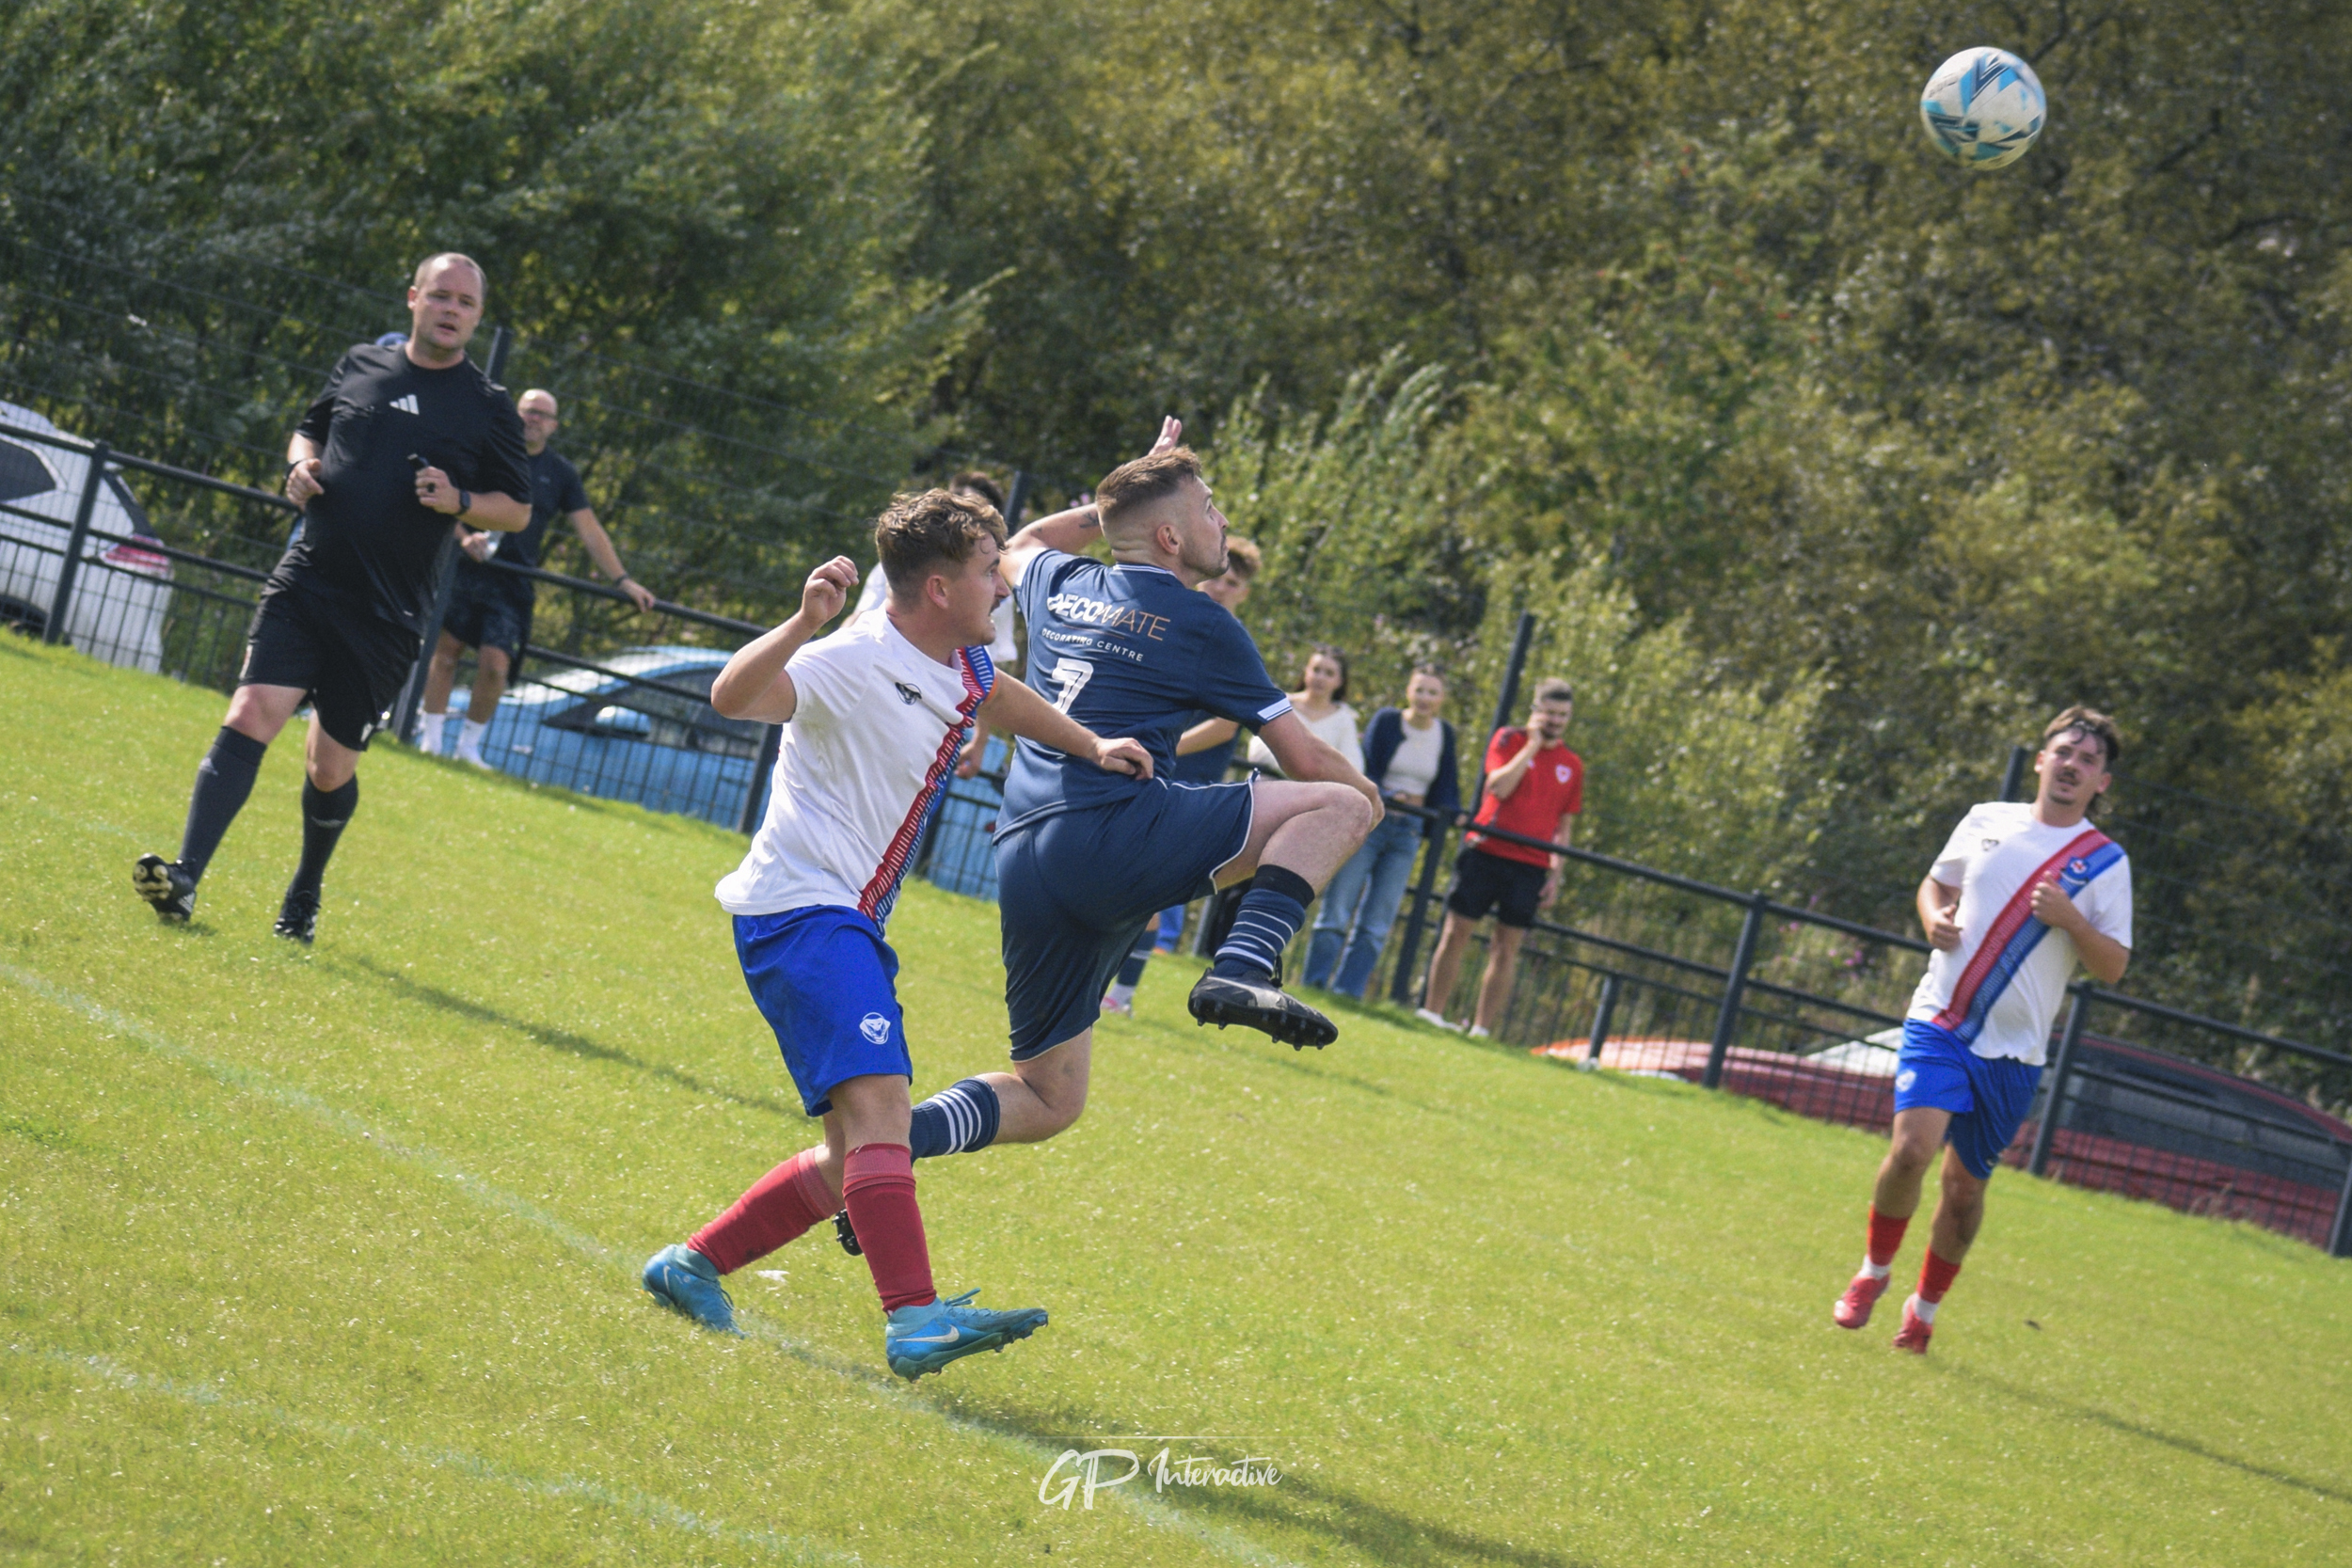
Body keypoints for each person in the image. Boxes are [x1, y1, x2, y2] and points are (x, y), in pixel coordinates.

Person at [638, 488, 1154, 1379]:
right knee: (884, 1112)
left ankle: (691, 1264)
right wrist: (803, 623)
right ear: (939, 589)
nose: (1004, 586)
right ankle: (914, 1317)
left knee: (854, 1155)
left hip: (842, 921)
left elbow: (1006, 700)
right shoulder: (853, 657)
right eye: (991, 571)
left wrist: (1091, 743)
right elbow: (733, 695)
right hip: (802, 914)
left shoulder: (964, 664)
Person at [132, 254, 532, 942]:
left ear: (476, 315)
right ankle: (185, 877)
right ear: (413, 298)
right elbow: (307, 430)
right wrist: (299, 466)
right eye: (440, 294)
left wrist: (460, 499)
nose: (451, 308)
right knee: (252, 710)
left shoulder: (488, 406)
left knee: (328, 765)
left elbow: (518, 510)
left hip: (387, 612)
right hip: (308, 578)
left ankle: (306, 889)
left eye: (465, 302)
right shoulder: (360, 365)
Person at [1833, 706, 2132, 1354]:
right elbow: (1935, 885)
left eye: (2088, 760)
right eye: (2064, 752)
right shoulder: (1986, 818)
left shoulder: (2105, 863)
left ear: (2102, 782)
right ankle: (1873, 1272)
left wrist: (2072, 922)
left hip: (2015, 1052)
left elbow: (2112, 966)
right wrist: (1933, 917)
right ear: (2041, 760)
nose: (2073, 765)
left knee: (1964, 1187)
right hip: (1941, 1018)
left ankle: (1924, 1308)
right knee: (1912, 1150)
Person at [418, 388, 659, 765]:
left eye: (543, 415)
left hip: (513, 582)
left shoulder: (561, 473)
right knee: (444, 655)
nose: (534, 419)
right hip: (465, 569)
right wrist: (466, 539)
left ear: (554, 426)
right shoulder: (486, 451)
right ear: (515, 414)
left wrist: (622, 580)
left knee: (496, 667)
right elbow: (444, 501)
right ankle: (430, 742)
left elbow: (590, 530)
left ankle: (467, 748)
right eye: (529, 411)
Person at [1100, 538, 1262, 1015]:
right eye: (1218, 576)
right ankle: (1104, 988)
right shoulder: (1171, 616)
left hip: (1187, 779)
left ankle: (1121, 995)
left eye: (1232, 583)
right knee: (1120, 880)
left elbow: (1227, 724)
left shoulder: (1230, 638)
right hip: (1142, 767)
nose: (1220, 588)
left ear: (1243, 593)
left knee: (1145, 887)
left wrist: (1166, 744)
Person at [1415, 678, 1581, 1037]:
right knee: (1456, 931)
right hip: (1487, 850)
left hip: (1532, 866)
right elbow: (1499, 787)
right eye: (1549, 712)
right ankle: (1432, 1013)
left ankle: (1482, 1029)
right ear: (1535, 711)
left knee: (1506, 948)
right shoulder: (1509, 740)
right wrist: (1532, 748)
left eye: (1562, 715)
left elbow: (1564, 827)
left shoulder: (1573, 765)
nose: (1555, 720)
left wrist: (1556, 874)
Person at [849, 469, 1019, 779]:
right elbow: (856, 623)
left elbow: (992, 680)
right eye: (958, 506)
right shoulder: (902, 568)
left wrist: (980, 741)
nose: (963, 518)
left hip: (934, 727)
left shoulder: (996, 595)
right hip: (870, 709)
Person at [1305, 664, 1460, 998]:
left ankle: (1348, 991)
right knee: (1338, 908)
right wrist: (1387, 796)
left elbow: (1447, 785)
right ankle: (1314, 983)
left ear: (1442, 698)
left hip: (1409, 831)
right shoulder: (1388, 721)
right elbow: (1366, 767)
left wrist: (1454, 814)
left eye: (1432, 692)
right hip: (1373, 820)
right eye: (1419, 690)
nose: (1424, 698)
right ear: (1408, 691)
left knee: (1377, 920)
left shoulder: (1444, 734)